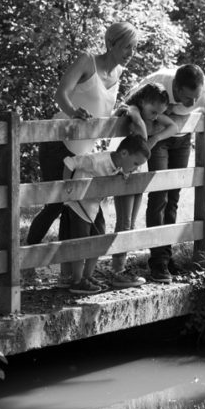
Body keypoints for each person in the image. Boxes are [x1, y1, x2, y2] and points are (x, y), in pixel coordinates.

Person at [25, 22, 138, 261]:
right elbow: (61, 94)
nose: (131, 53)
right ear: (110, 44)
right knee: (55, 204)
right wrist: (74, 111)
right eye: (127, 47)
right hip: (59, 143)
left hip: (85, 152)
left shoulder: (118, 73)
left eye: (134, 48)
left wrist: (117, 116)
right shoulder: (87, 61)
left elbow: (100, 113)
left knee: (86, 207)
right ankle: (25, 260)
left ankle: (72, 271)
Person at [124, 63, 205, 283]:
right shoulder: (158, 82)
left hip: (182, 139)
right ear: (175, 87)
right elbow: (127, 104)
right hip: (158, 139)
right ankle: (158, 263)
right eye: (187, 99)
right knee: (159, 195)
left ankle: (166, 255)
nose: (193, 104)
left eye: (196, 98)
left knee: (174, 195)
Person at [99, 82, 179, 289]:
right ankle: (117, 271)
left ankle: (122, 268)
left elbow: (174, 126)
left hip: (137, 172)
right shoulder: (133, 110)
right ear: (143, 101)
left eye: (158, 113)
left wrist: (154, 140)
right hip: (125, 172)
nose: (154, 116)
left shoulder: (149, 114)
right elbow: (135, 118)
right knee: (124, 222)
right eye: (153, 111)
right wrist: (144, 132)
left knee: (132, 223)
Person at [60, 133, 150, 295]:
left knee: (100, 239)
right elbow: (70, 162)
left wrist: (120, 174)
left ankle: (88, 276)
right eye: (135, 163)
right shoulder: (96, 161)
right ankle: (77, 280)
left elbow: (113, 173)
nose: (136, 168)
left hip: (95, 205)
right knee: (82, 242)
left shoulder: (118, 165)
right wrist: (68, 186)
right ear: (124, 153)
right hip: (79, 206)